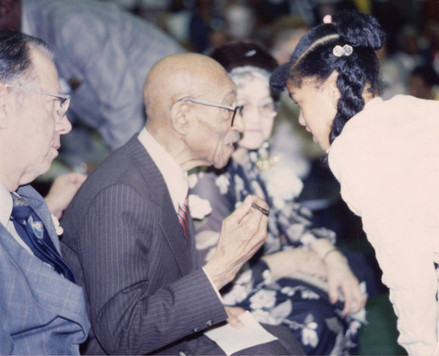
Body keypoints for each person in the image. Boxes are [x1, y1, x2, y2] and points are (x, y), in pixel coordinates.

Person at [269, 9, 439, 356]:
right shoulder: (400, 117)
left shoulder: (361, 155)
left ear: (332, 90)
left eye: (301, 102)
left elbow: (409, 273)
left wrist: (419, 347)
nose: (302, 119)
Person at [60, 52, 305, 355]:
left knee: (284, 342)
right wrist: (222, 268)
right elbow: (122, 336)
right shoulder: (120, 193)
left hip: (167, 337)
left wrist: (206, 307)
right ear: (183, 116)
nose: (240, 125)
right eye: (231, 109)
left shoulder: (163, 171)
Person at [189, 41, 367, 355]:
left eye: (267, 104)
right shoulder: (209, 173)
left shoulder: (249, 157)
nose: (257, 118)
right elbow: (216, 283)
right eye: (244, 105)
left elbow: (286, 212)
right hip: (221, 300)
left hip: (258, 275)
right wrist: (295, 262)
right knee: (319, 315)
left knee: (348, 277)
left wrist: (330, 257)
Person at [0, 30, 89, 354]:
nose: (64, 125)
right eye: (55, 105)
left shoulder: (25, 201)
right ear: (3, 103)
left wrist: (49, 208)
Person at [0, 0, 185, 154]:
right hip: (135, 128)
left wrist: (130, 173)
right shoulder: (30, 36)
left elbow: (122, 103)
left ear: (5, 6)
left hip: (178, 109)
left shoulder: (71, 23)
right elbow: (61, 113)